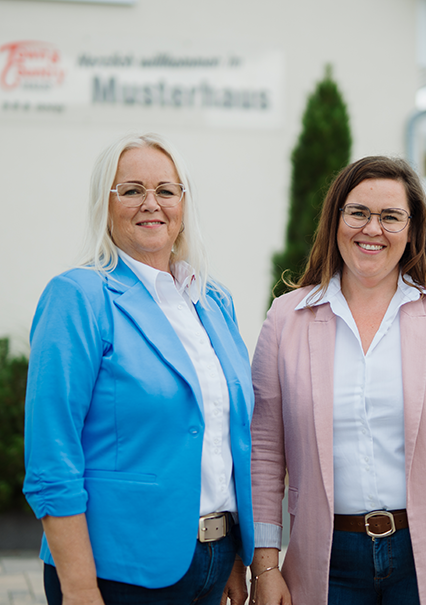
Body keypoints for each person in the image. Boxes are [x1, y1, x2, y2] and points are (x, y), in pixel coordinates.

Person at [249, 156, 426, 605]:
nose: (372, 229)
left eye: (390, 216)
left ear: (411, 229)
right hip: (327, 559)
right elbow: (264, 451)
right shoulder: (286, 318)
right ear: (335, 219)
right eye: (358, 212)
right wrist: (264, 564)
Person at [23, 132, 254, 605]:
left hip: (212, 563)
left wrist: (232, 556)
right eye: (131, 190)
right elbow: (51, 455)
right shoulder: (78, 297)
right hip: (117, 571)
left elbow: (225, 438)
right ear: (105, 205)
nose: (152, 203)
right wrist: (79, 587)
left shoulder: (214, 300)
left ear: (183, 204)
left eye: (166, 190)